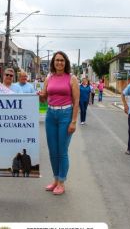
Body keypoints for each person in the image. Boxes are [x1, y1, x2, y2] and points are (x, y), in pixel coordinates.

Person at [38, 51, 80, 195]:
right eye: (57, 60)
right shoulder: (49, 77)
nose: (59, 63)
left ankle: (62, 182)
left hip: (65, 115)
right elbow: (43, 98)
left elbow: (76, 102)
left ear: (66, 62)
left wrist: (73, 121)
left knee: (62, 151)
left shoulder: (72, 78)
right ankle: (55, 180)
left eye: (62, 60)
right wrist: (41, 96)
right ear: (53, 62)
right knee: (52, 151)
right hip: (50, 115)